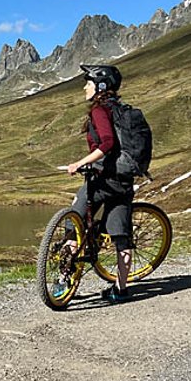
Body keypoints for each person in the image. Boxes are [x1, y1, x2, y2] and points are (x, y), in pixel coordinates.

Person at [62, 64, 133, 303]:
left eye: (88, 83)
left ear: (101, 86)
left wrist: (79, 163)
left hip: (103, 180)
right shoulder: (121, 110)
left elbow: (107, 143)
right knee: (121, 237)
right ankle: (121, 290)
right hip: (123, 180)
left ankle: (63, 281)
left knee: (73, 221)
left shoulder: (100, 110)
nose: (85, 87)